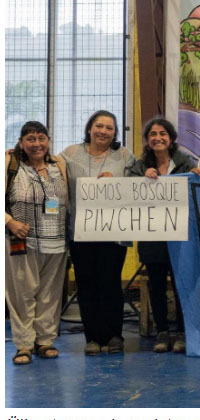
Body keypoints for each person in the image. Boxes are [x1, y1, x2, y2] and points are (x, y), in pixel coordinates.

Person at [61, 110, 136, 355]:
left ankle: (114, 336)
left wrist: (117, 181)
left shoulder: (124, 155)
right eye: (99, 126)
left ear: (115, 133)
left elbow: (138, 186)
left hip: (113, 232)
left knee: (111, 283)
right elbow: (48, 167)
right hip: (80, 232)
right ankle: (92, 338)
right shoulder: (70, 154)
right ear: (89, 128)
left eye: (109, 128)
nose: (103, 131)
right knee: (86, 284)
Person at [128, 117, 195, 353]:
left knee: (181, 285)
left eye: (163, 133)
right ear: (147, 140)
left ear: (171, 138)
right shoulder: (139, 166)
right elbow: (128, 190)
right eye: (153, 134)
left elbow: (196, 186)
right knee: (156, 284)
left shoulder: (185, 162)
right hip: (152, 236)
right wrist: (141, 179)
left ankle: (182, 332)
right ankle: (162, 331)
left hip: (181, 236)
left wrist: (196, 175)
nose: (158, 138)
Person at [5, 122, 69, 365]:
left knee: (50, 294)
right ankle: (24, 345)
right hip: (22, 240)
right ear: (21, 143)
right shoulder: (9, 164)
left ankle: (45, 341)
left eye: (41, 138)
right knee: (22, 294)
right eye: (30, 139)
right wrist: (10, 222)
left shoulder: (59, 165)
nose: (37, 144)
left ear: (49, 141)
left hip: (56, 241)